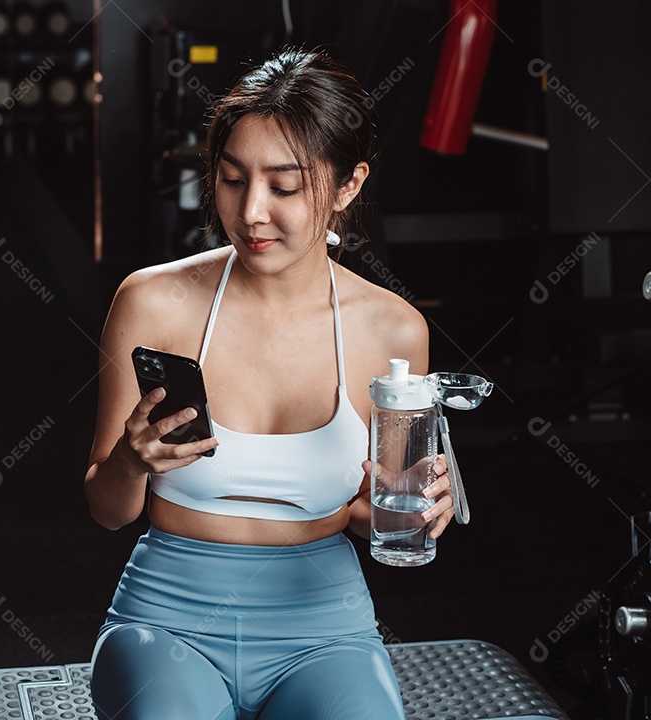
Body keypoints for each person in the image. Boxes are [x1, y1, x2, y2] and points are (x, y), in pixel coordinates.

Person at [83, 47, 456, 720]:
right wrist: (130, 461)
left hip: (325, 630)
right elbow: (108, 509)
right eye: (231, 179)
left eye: (284, 187)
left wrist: (418, 516)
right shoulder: (152, 303)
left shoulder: (394, 331)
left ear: (349, 186)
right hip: (166, 624)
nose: (252, 212)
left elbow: (377, 515)